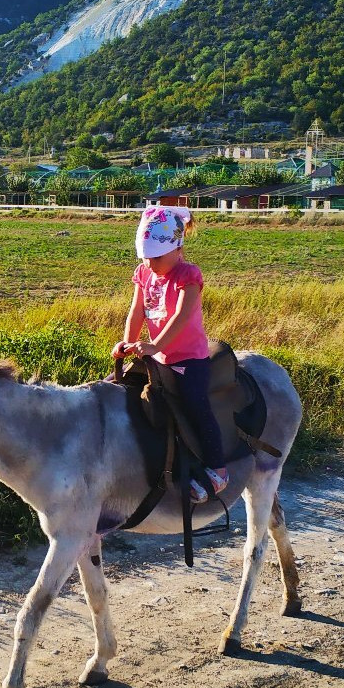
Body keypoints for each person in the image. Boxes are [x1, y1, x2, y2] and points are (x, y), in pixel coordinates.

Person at [112, 206, 228, 504]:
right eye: (146, 257)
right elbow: (136, 310)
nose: (150, 263)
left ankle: (217, 470)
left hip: (188, 358)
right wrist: (128, 343)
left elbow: (181, 316)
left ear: (178, 248)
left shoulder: (187, 276)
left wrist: (154, 346)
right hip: (158, 356)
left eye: (157, 257)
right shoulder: (143, 273)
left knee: (195, 403)